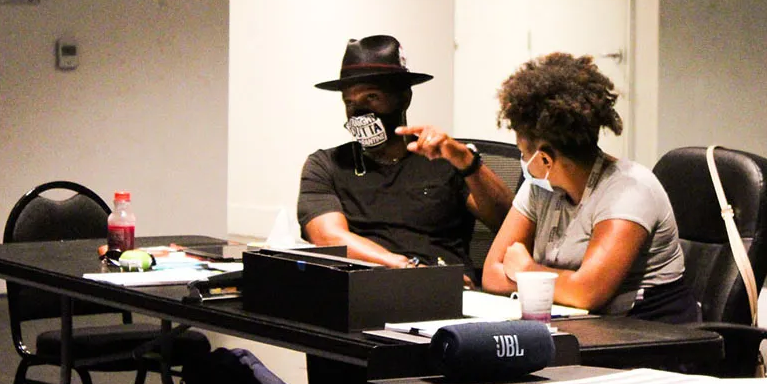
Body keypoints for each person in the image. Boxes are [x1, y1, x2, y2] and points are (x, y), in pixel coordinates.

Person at [482, 52, 698, 323]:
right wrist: (558, 285)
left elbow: (587, 292)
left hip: (650, 334)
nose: (523, 162)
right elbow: (492, 273)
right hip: (586, 327)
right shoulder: (540, 187)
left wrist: (526, 271)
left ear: (546, 159)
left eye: (524, 154)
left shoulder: (629, 191)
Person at [298, 34, 512, 281]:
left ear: (404, 98)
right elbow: (328, 237)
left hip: (448, 294)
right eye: (350, 101)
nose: (358, 111)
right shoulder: (327, 165)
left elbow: (508, 223)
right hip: (369, 287)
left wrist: (468, 162)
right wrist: (406, 269)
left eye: (371, 97)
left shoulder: (445, 160)